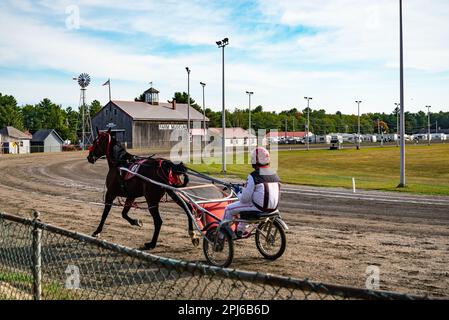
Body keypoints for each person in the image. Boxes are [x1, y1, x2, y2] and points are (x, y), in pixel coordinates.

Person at [223, 146, 280, 237]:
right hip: (273, 208)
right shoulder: (274, 174)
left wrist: (238, 192)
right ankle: (240, 230)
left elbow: (244, 199)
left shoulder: (253, 176)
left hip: (260, 208)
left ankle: (222, 237)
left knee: (229, 208)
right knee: (248, 204)